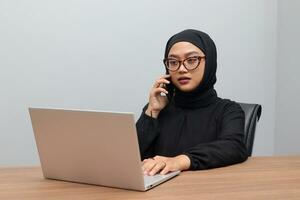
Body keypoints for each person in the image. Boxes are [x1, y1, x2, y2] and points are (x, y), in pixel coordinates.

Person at [136, 29, 248, 176]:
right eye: (173, 62)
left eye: (191, 60)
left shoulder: (228, 110)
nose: (182, 69)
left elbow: (234, 147)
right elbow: (130, 158)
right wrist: (151, 113)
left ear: (209, 62)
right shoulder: (159, 108)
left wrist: (178, 161)